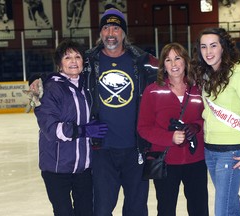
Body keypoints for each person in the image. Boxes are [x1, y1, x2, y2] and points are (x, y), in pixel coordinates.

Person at [83, 4, 158, 215]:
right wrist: (37, 80)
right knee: (102, 208)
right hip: (102, 150)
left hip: (135, 148)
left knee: (136, 208)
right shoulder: (87, 61)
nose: (110, 33)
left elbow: (174, 69)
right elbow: (64, 70)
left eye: (116, 29)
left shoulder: (142, 61)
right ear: (100, 33)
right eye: (106, 29)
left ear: (124, 33)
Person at [191, 27, 240, 216]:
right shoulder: (206, 75)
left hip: (231, 152)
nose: (208, 52)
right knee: (231, 205)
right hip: (210, 150)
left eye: (213, 46)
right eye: (204, 47)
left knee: (222, 210)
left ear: (223, 47)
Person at [34, 39, 108, 216]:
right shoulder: (50, 89)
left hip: (83, 168)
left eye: (77, 56)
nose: (73, 61)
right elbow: (51, 129)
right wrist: (83, 131)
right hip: (57, 168)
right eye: (67, 57)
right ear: (60, 64)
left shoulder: (88, 86)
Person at [137, 42, 209, 216]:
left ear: (185, 61)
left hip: (196, 161)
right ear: (163, 65)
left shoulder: (199, 89)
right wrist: (169, 138)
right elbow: (143, 128)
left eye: (177, 58)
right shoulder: (152, 91)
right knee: (166, 210)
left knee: (199, 209)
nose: (174, 64)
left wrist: (197, 126)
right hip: (166, 162)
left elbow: (210, 118)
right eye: (168, 60)